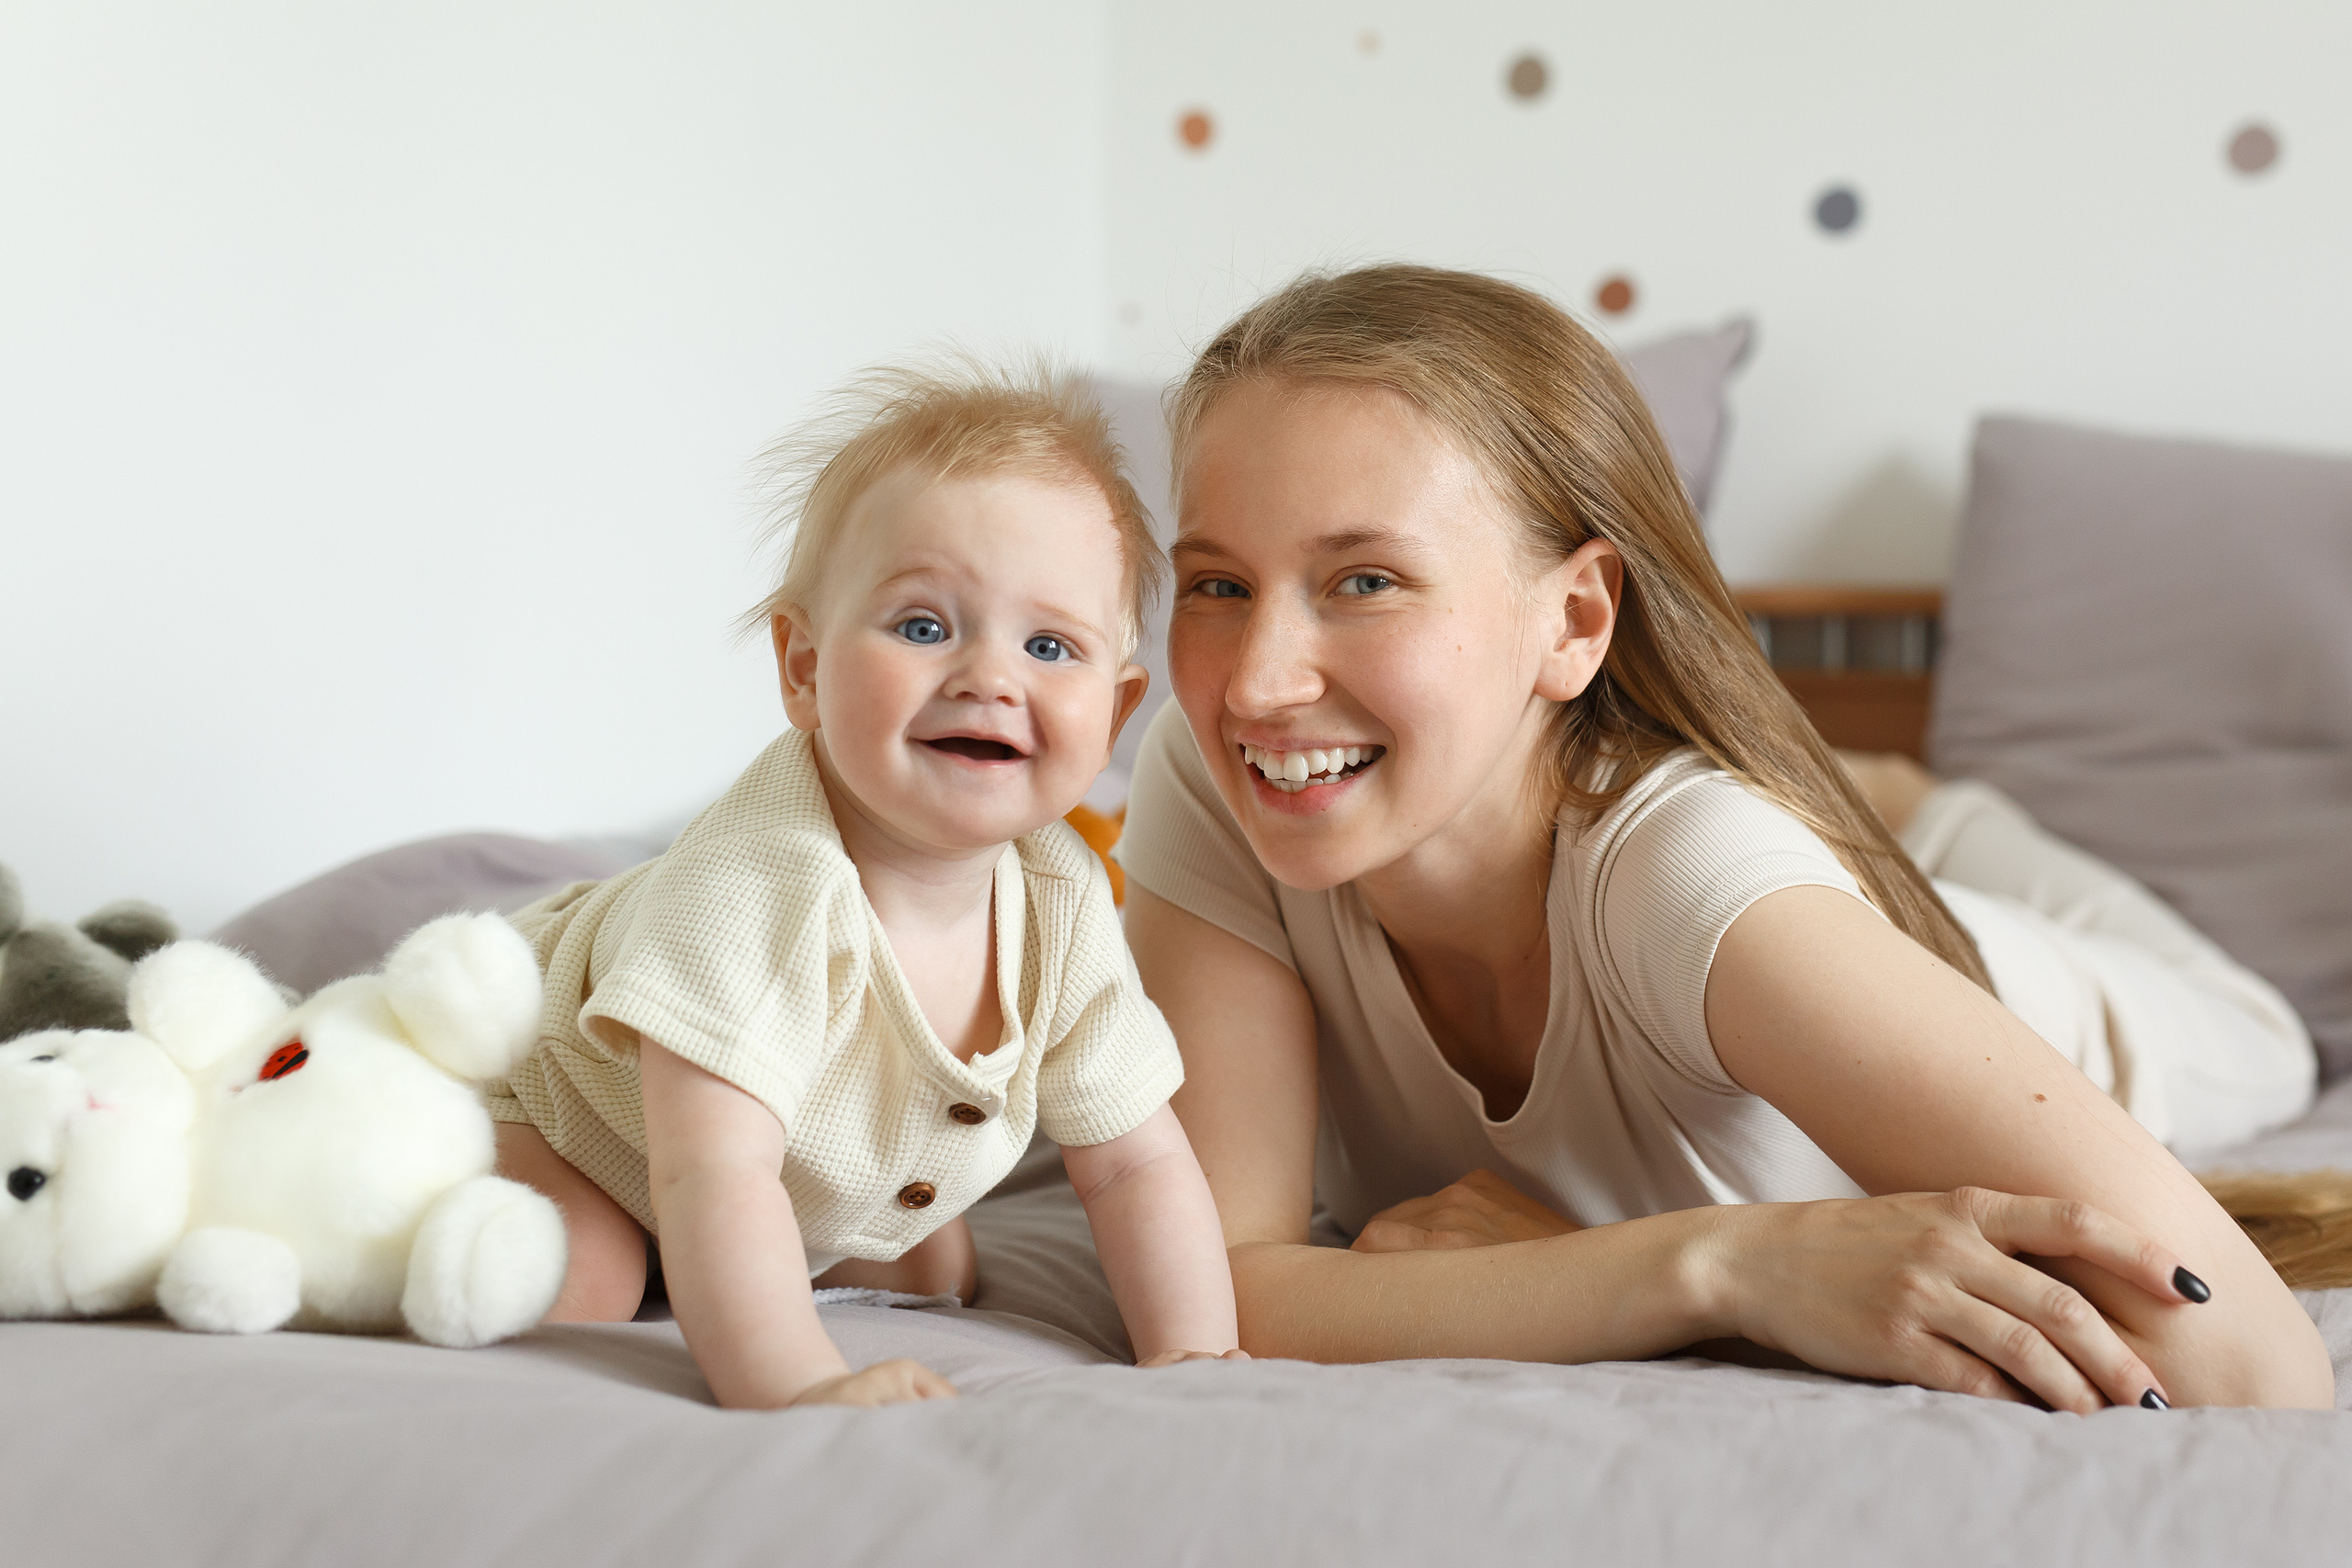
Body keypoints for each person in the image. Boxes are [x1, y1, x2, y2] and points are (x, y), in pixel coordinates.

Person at [1116, 264, 2333, 1410]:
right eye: (1219, 583)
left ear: (1576, 619)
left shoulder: (1689, 877)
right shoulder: (1217, 767)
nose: (1257, 685)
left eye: (1365, 580)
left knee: (2258, 1029)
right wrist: (1713, 1265)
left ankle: (1921, 806)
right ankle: (1890, 807)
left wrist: (1615, 1272)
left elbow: (2259, 1362)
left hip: (2096, 990)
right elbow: (1224, 1287)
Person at [491, 361, 1241, 1409]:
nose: (991, 676)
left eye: (1049, 645)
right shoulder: (759, 886)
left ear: (1114, 716)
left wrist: (1195, 1362)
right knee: (582, 1281)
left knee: (933, 1266)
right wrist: (797, 1384)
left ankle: (723, 1261)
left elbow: (1133, 1166)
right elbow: (715, 1171)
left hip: (764, 1178)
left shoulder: (1062, 899)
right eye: (923, 626)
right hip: (552, 1108)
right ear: (802, 669)